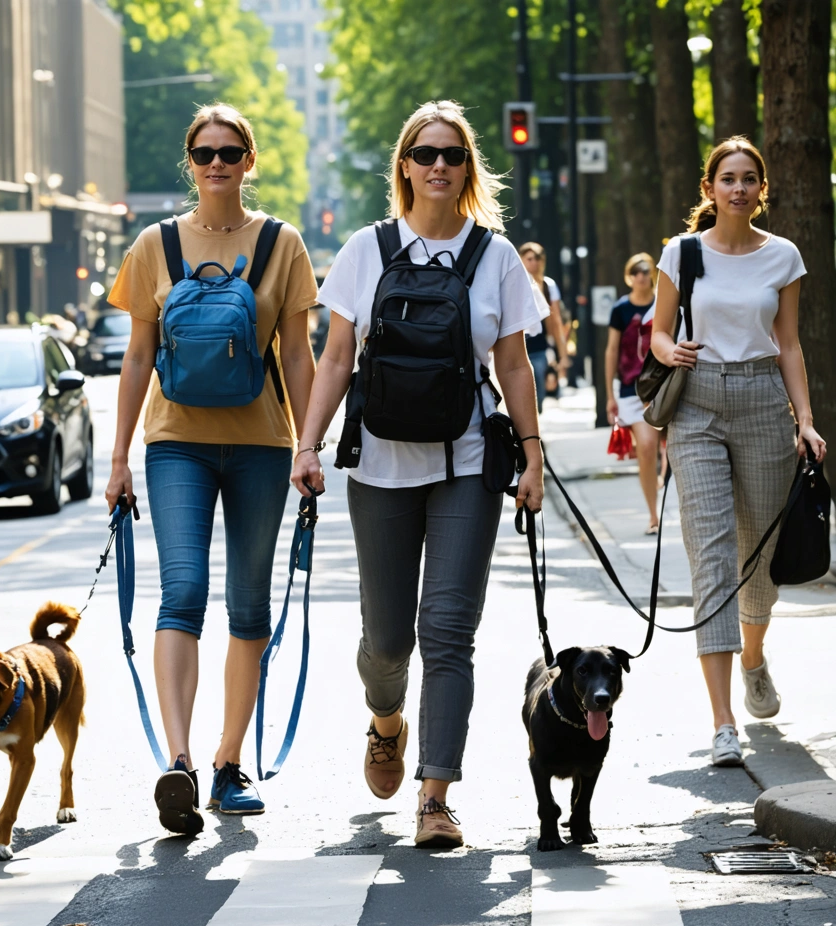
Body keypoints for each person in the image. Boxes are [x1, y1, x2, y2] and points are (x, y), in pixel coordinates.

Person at [292, 100, 544, 849]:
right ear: (404, 164)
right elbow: (336, 358)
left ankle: (435, 796)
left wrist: (531, 452)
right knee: (389, 641)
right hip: (379, 464)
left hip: (467, 459)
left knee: (448, 632)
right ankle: (385, 721)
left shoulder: (495, 257)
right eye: (426, 153)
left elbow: (513, 363)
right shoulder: (366, 250)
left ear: (468, 169)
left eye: (453, 155)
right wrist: (308, 446)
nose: (439, 165)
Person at [103, 104, 318, 834]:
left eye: (230, 152)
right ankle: (180, 763)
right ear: (189, 161)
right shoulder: (153, 245)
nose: (217, 163)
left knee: (249, 604)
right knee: (184, 588)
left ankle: (230, 763)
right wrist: (118, 458)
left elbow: (297, 354)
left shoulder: (282, 244)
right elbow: (137, 357)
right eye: (204, 153)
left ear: (249, 160)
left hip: (262, 443)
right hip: (175, 443)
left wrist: (312, 442)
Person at [650, 136, 826, 768]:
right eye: (727, 178)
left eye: (750, 178)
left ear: (762, 189)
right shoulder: (682, 252)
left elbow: (789, 346)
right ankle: (723, 722)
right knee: (713, 557)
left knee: (759, 559)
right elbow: (659, 330)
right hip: (696, 407)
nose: (739, 187)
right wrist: (668, 351)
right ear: (709, 188)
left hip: (761, 400)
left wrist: (804, 420)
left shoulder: (782, 256)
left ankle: (753, 656)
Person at [605, 252, 660, 534]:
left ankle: (661, 477)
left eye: (646, 270)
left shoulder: (664, 302)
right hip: (631, 390)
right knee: (647, 448)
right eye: (636, 271)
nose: (641, 276)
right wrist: (609, 395)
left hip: (665, 386)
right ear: (630, 275)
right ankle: (653, 515)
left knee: (671, 447)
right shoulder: (621, 309)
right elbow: (611, 350)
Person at [519, 242, 569, 411]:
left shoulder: (548, 285)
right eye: (529, 258)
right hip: (518, 346)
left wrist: (562, 356)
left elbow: (555, 322)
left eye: (538, 258)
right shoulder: (514, 284)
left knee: (538, 395)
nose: (534, 262)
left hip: (539, 348)